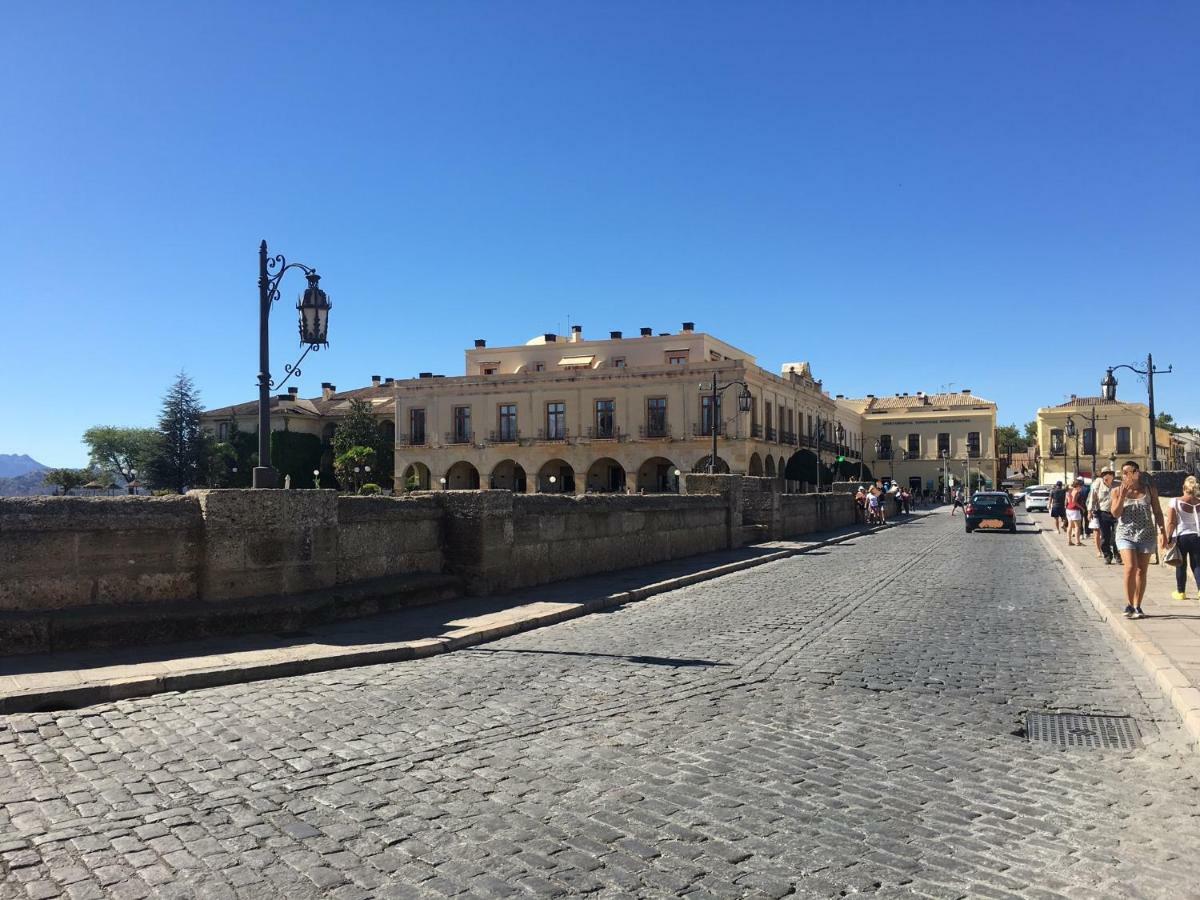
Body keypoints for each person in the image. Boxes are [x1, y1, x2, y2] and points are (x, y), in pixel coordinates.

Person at [1111, 461, 1165, 619]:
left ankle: (1137, 605)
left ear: (1137, 473)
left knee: (1142, 571)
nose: (1126, 476)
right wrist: (1122, 496)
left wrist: (1163, 531)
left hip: (1146, 534)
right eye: (1124, 473)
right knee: (1130, 567)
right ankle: (1128, 603)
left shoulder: (1149, 490)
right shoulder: (1116, 491)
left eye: (1130, 472)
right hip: (1125, 533)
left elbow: (1158, 511)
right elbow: (1115, 513)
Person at [1163, 475, 1200, 602]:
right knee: (1197, 565)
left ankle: (1181, 592)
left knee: (1181, 564)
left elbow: (1171, 522)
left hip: (1182, 537)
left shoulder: (1175, 501)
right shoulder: (1198, 502)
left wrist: (1168, 538)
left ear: (1183, 487)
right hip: (1197, 536)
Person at [1089, 465, 1118, 564]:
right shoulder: (1097, 484)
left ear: (1112, 476)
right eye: (1104, 474)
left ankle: (1117, 555)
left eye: (1108, 474)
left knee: (1117, 536)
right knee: (1105, 536)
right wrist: (1090, 511)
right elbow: (1093, 499)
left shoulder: (1118, 485)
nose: (1106, 476)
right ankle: (1107, 556)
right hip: (1103, 513)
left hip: (1117, 514)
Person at [1065, 477, 1086, 546]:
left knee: (1070, 526)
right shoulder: (1076, 492)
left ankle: (1069, 541)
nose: (1081, 487)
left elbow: (1068, 501)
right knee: (1077, 526)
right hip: (1075, 510)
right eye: (1080, 485)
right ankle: (1077, 541)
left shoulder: (1070, 491)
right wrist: (1082, 508)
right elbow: (1074, 501)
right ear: (1078, 485)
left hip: (1068, 509)